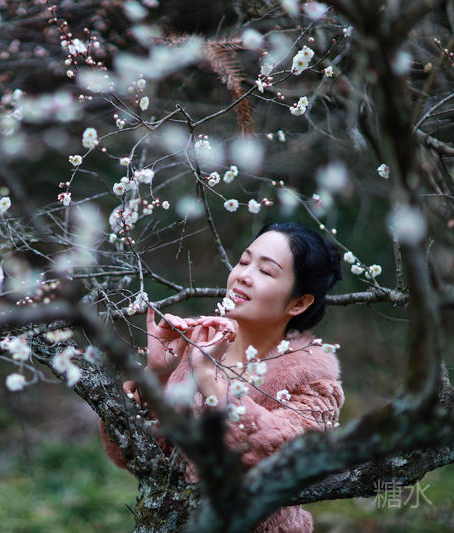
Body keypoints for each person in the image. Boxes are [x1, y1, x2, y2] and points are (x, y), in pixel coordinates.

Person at [101, 221, 345, 532]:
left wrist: (212, 385)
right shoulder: (191, 345)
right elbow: (129, 455)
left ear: (299, 303)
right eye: (243, 262)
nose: (243, 275)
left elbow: (282, 459)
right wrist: (157, 376)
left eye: (265, 271)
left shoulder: (314, 383)